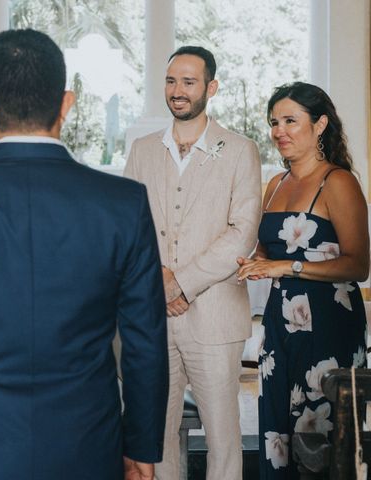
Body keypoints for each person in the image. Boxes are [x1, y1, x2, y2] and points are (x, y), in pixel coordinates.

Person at [0, 28, 169, 480]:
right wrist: (141, 445)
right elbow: (145, 341)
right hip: (89, 438)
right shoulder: (122, 202)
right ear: (67, 104)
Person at [124, 45, 262, 480]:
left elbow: (242, 233)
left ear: (211, 87)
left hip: (215, 316)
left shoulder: (240, 150)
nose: (177, 91)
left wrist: (179, 283)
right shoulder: (142, 149)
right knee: (156, 432)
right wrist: (156, 285)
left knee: (223, 435)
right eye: (170, 81)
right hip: (153, 317)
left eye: (188, 81)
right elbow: (129, 226)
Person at [237, 81, 369, 478]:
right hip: (280, 327)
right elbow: (270, 253)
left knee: (323, 439)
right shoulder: (275, 185)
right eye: (274, 122)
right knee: (277, 432)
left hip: (328, 328)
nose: (279, 131)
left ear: (320, 125)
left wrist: (286, 268)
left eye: (291, 120)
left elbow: (358, 265)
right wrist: (255, 262)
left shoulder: (339, 182)